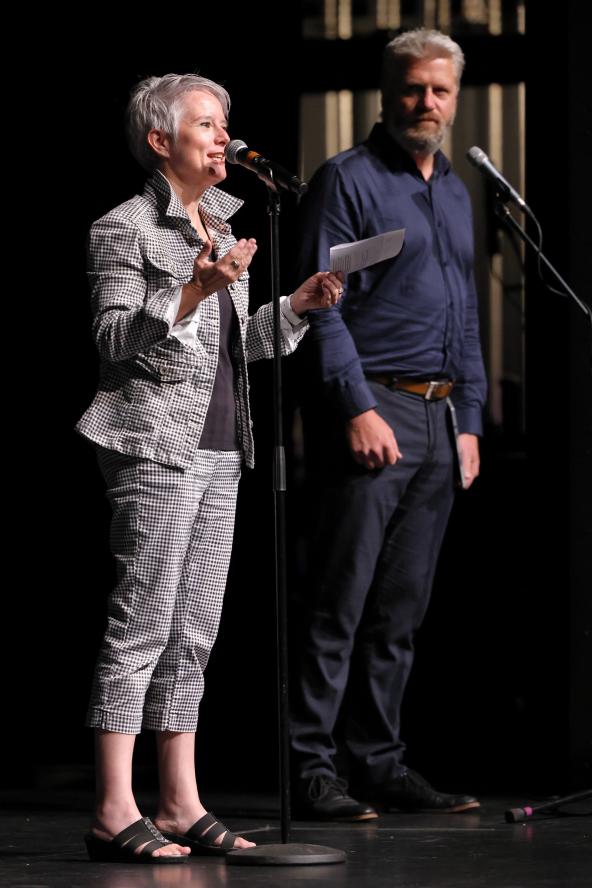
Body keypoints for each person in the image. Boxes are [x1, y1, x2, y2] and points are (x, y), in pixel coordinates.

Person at [76, 73, 343, 863]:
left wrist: (294, 308)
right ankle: (113, 807)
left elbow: (235, 348)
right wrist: (196, 285)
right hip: (153, 447)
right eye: (208, 125)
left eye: (227, 124)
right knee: (143, 625)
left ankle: (182, 801)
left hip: (224, 446)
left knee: (194, 630)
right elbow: (115, 339)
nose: (225, 137)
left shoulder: (226, 230)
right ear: (162, 141)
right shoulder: (122, 228)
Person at [289, 29, 487, 821]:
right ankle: (309, 767)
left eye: (440, 90)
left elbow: (466, 312)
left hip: (440, 421)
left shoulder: (457, 191)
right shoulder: (348, 179)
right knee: (338, 602)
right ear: (387, 90)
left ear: (455, 96)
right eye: (413, 88)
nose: (427, 103)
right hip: (374, 406)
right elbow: (322, 305)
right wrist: (357, 406)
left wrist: (469, 419)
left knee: (400, 611)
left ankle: (378, 763)